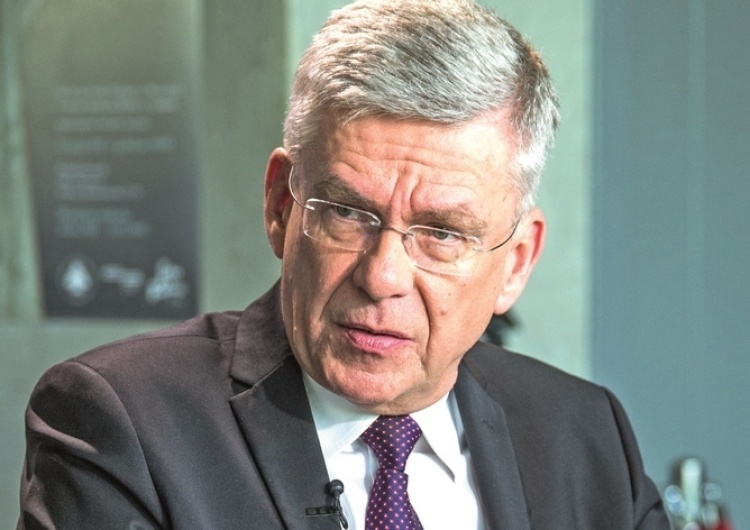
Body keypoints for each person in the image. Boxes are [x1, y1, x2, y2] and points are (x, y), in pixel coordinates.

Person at [18, 0, 670, 528]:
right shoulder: (122, 422)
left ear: (517, 262)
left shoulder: (585, 435)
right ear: (281, 206)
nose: (382, 277)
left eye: (441, 234)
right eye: (348, 213)